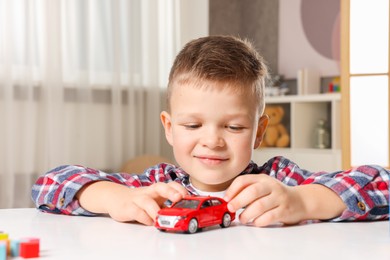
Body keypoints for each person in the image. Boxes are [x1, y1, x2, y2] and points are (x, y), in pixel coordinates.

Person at [31, 35, 390, 227]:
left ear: (259, 131)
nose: (213, 140)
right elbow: (50, 183)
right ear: (169, 128)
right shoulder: (157, 186)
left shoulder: (280, 181)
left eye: (234, 126)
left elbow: (382, 184)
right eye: (192, 125)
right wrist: (117, 199)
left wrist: (302, 201)